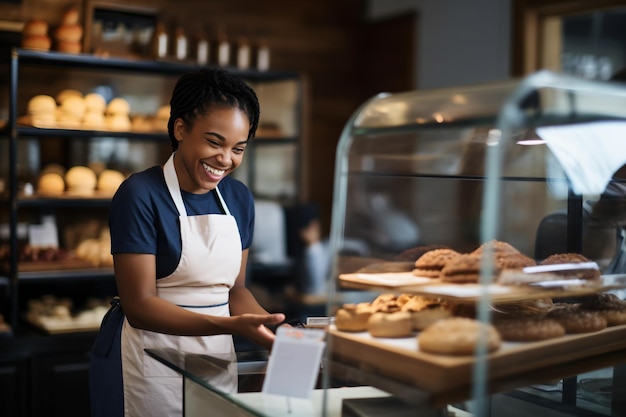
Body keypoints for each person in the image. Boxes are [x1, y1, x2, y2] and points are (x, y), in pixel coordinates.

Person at [89, 68, 286, 417]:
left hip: (216, 357)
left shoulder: (238, 198)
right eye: (214, 142)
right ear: (180, 129)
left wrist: (273, 333)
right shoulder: (140, 194)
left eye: (238, 148)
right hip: (147, 360)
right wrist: (226, 325)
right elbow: (139, 305)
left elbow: (235, 290)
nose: (226, 160)